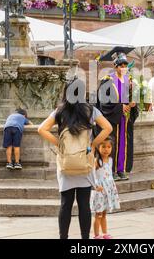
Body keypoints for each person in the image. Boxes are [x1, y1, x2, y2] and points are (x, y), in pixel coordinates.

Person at [38, 77, 113, 239]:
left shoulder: (60, 111)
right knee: (84, 204)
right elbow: (108, 127)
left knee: (65, 204)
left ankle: (63, 237)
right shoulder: (90, 110)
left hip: (66, 163)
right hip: (84, 162)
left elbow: (41, 129)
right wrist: (93, 144)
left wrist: (59, 143)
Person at [97, 47, 139, 181]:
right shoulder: (107, 80)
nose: (124, 67)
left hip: (125, 118)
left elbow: (132, 97)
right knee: (112, 142)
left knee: (123, 143)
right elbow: (103, 101)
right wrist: (121, 107)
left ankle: (121, 169)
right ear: (115, 66)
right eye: (121, 65)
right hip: (112, 117)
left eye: (125, 65)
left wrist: (133, 103)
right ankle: (111, 170)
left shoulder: (129, 80)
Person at [91, 136, 120, 239]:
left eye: (108, 147)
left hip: (108, 189)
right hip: (99, 190)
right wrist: (95, 186)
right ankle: (96, 235)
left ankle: (105, 233)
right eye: (103, 147)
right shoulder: (96, 161)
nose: (106, 149)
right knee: (98, 214)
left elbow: (109, 175)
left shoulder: (110, 160)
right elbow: (92, 174)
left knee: (104, 214)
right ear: (98, 147)